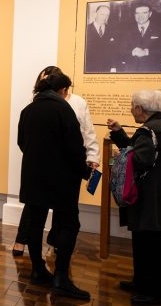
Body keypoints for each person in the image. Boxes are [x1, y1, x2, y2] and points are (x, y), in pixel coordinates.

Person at [106, 90, 161, 305]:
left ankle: (155, 291)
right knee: (146, 240)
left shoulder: (148, 130)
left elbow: (139, 159)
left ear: (140, 109)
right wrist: (119, 133)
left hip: (150, 196)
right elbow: (141, 150)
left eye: (132, 105)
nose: (131, 109)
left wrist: (123, 156)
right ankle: (142, 282)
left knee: (151, 244)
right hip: (159, 194)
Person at [12, 66, 100, 256]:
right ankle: (56, 272)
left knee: (61, 215)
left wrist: (92, 156)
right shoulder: (36, 105)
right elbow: (25, 139)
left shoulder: (77, 103)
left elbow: (87, 133)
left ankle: (50, 252)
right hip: (52, 168)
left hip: (61, 168)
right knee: (40, 213)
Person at [18, 72, 90, 300]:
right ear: (62, 90)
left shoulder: (28, 110)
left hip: (33, 176)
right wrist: (83, 171)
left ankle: (38, 269)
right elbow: (75, 147)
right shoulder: (63, 109)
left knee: (35, 222)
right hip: (62, 178)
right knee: (70, 223)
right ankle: (61, 277)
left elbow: (22, 142)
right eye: (66, 90)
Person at [120, 4, 161, 73]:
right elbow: (121, 49)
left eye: (144, 13)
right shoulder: (126, 29)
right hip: (131, 69)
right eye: (137, 13)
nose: (140, 16)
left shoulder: (160, 29)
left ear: (150, 14)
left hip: (151, 69)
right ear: (134, 15)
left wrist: (146, 52)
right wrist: (132, 52)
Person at [84, 5, 119, 73]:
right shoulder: (86, 29)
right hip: (89, 69)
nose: (104, 17)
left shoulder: (112, 30)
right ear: (95, 14)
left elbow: (114, 51)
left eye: (107, 15)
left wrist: (113, 67)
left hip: (107, 69)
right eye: (102, 14)